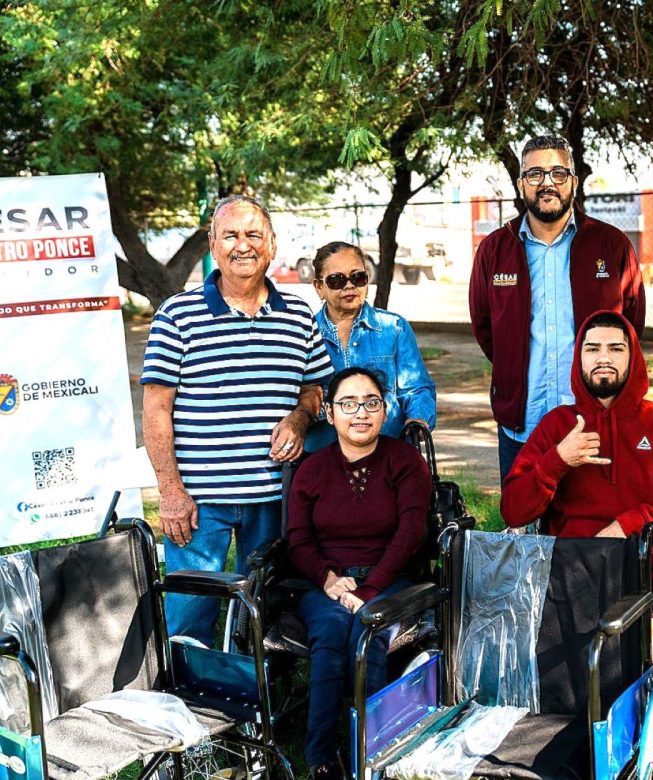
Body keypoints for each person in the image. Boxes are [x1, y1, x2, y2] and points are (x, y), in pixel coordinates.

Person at [141, 194, 333, 646]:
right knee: (189, 617)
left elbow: (315, 389)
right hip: (198, 502)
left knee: (262, 616)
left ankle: (255, 704)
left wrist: (300, 419)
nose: (241, 245)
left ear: (272, 244)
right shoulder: (177, 315)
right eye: (230, 235)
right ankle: (188, 706)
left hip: (274, 499)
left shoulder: (299, 316)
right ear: (212, 243)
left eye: (253, 235)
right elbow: (156, 409)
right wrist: (170, 492)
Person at [501, 311, 653, 669]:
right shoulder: (557, 424)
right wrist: (557, 460)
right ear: (579, 358)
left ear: (632, 358)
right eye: (593, 348)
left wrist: (632, 522)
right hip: (565, 587)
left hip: (642, 581)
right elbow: (513, 510)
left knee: (651, 645)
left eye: (616, 348)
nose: (603, 357)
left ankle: (649, 722)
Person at [469, 134, 646, 482]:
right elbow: (485, 326)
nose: (546, 183)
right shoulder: (494, 249)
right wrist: (514, 364)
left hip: (594, 420)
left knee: (592, 532)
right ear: (521, 185)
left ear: (574, 182)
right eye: (534, 174)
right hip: (523, 425)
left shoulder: (612, 245)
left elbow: (631, 324)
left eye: (557, 173)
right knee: (524, 526)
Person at [288, 366, 432, 780]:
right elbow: (298, 538)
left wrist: (370, 588)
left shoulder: (404, 461)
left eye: (370, 402)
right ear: (330, 414)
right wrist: (329, 580)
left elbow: (411, 533)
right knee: (331, 638)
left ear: (384, 410)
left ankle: (370, 756)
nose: (360, 413)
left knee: (368, 640)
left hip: (391, 579)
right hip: (327, 584)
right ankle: (319, 759)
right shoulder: (311, 469)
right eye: (347, 404)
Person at [303, 240, 437, 452]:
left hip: (385, 456)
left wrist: (417, 422)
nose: (349, 286)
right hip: (322, 459)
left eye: (358, 277)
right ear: (319, 287)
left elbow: (417, 388)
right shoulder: (304, 333)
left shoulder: (394, 329)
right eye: (337, 280)